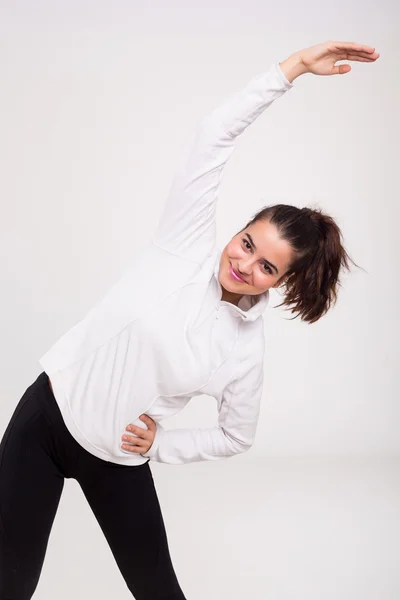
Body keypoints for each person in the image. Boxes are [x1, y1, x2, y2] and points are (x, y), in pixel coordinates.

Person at [0, 40, 379, 599]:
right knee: (10, 581)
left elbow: (236, 435)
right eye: (246, 242)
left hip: (117, 459)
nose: (243, 263)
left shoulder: (244, 350)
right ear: (239, 228)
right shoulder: (182, 246)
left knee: (158, 591)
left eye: (266, 265)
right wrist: (293, 68)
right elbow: (214, 137)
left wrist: (159, 445)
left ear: (282, 280)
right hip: (44, 421)